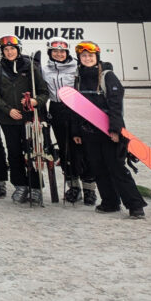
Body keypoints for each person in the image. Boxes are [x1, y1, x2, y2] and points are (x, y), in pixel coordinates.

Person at [71, 41, 146, 219]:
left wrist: (115, 130)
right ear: (79, 58)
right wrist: (76, 131)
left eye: (90, 56)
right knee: (99, 168)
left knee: (116, 168)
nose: (87, 58)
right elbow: (76, 107)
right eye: (83, 56)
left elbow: (115, 105)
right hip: (89, 132)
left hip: (109, 132)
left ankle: (135, 205)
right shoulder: (78, 77)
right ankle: (110, 202)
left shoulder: (107, 76)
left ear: (97, 57)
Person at [0, 35, 49, 205]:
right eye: (6, 50)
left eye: (12, 49)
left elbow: (44, 92)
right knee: (14, 153)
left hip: (29, 119)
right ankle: (20, 185)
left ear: (18, 49)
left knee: (32, 153)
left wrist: (35, 102)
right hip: (9, 119)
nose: (9, 52)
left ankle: (36, 187)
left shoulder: (30, 68)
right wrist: (7, 110)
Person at [41, 39, 96, 205]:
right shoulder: (45, 69)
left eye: (62, 52)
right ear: (50, 53)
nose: (59, 54)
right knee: (65, 151)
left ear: (67, 53)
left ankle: (89, 189)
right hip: (57, 109)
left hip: (76, 109)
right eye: (55, 51)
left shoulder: (76, 68)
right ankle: (73, 187)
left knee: (82, 150)